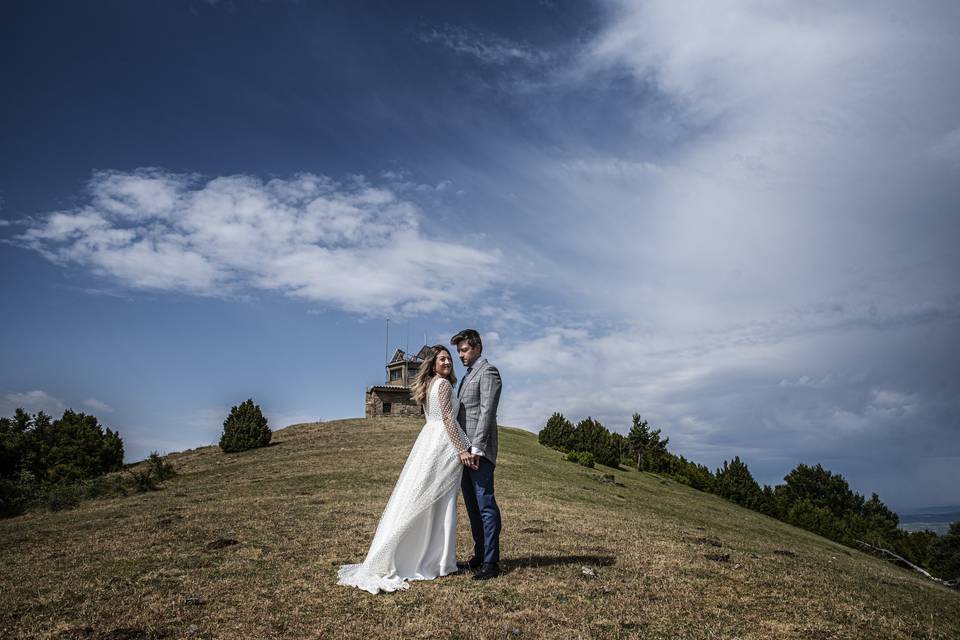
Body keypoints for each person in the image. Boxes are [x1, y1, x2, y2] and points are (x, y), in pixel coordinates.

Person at [336, 345, 479, 594]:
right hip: (443, 442)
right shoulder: (443, 385)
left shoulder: (430, 385)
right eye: (442, 359)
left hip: (429, 441)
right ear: (433, 364)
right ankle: (435, 561)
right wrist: (463, 448)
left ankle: (426, 557)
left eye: (448, 359)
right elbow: (447, 418)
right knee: (438, 501)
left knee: (424, 498)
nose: (447, 362)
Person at [451, 329, 503, 581]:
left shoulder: (489, 372)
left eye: (465, 350)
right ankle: (480, 555)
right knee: (472, 507)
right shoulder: (467, 376)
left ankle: (491, 562)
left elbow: (486, 412)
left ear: (478, 348)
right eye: (459, 351)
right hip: (465, 453)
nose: (461, 355)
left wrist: (477, 449)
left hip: (478, 452)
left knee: (485, 505)